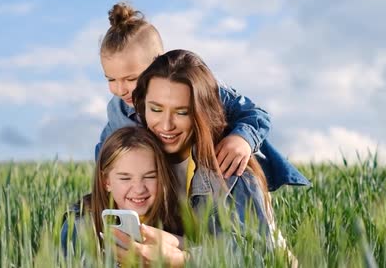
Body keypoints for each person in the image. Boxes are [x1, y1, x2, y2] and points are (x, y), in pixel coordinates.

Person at [96, 2, 309, 190]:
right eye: (110, 80)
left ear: (157, 63)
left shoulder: (197, 89)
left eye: (130, 79)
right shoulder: (119, 110)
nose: (120, 89)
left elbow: (255, 114)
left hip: (216, 182)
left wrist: (242, 138)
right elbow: (105, 149)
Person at [112, 49, 296, 267]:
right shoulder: (141, 161)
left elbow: (260, 257)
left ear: (203, 112)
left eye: (182, 112)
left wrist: (181, 259)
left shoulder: (232, 170)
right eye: (156, 109)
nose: (166, 125)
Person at [60, 126, 182, 258]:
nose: (139, 189)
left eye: (150, 176)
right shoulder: (80, 228)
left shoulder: (175, 225)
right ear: (106, 182)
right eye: (125, 178)